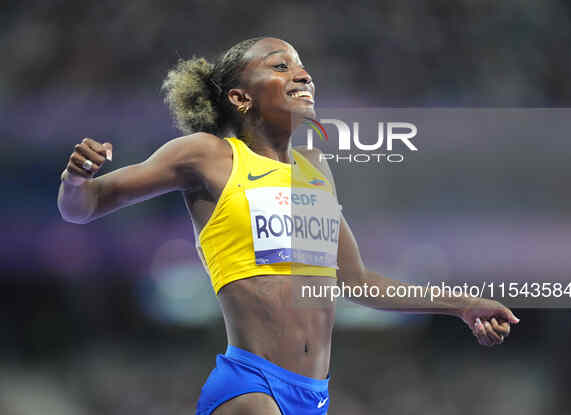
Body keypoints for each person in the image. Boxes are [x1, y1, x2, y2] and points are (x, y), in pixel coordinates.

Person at [57, 37, 519, 415]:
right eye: (281, 66)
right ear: (240, 98)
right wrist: (77, 177)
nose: (302, 74)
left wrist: (462, 305)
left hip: (313, 397)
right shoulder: (207, 154)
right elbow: (84, 207)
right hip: (251, 387)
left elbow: (357, 283)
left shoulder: (315, 172)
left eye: (302, 67)